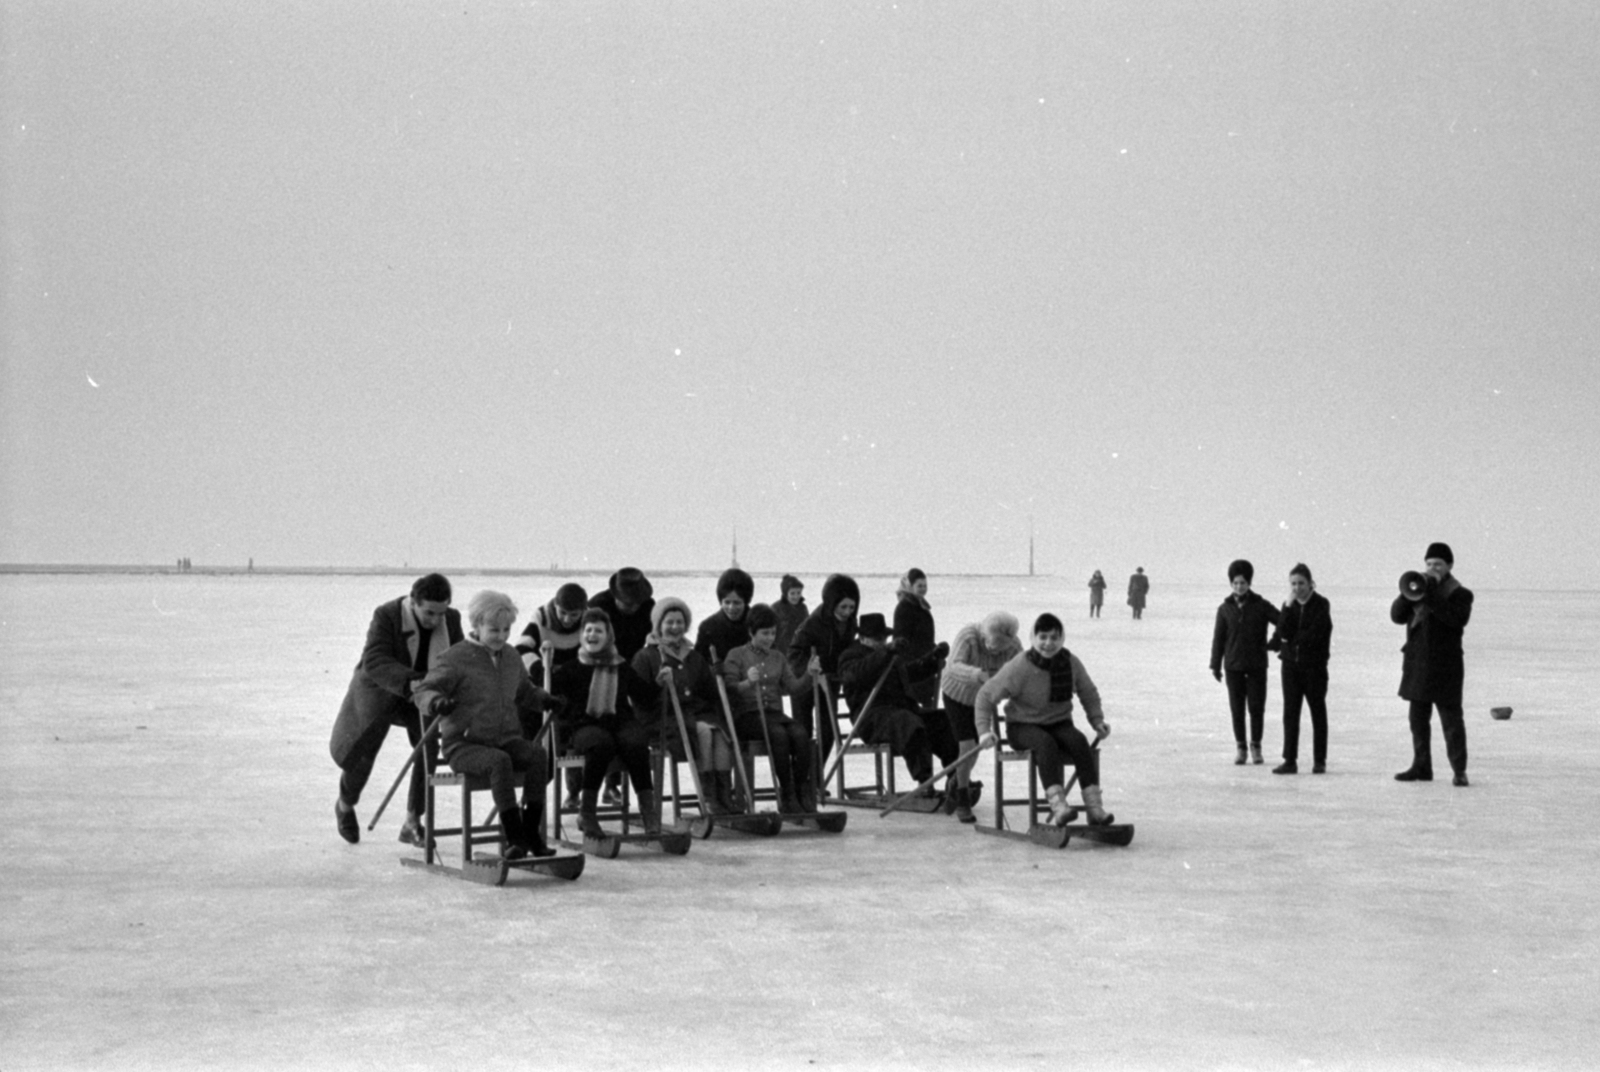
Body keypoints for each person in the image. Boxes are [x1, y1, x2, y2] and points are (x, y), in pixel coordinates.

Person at [413, 590, 558, 859]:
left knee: (538, 755)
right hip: (465, 745)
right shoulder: (456, 658)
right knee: (499, 761)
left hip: (505, 738)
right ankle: (515, 838)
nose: (501, 636)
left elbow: (525, 691)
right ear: (476, 626)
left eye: (506, 629)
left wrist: (546, 700)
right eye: (494, 629)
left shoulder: (511, 656)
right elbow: (423, 690)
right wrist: (436, 702)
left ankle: (531, 834)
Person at [329, 573, 464, 846]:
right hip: (382, 689)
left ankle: (413, 822)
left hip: (424, 694)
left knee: (427, 748)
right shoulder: (387, 615)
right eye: (429, 613)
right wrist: (411, 681)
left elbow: (459, 658)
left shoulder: (451, 619)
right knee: (362, 751)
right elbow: (375, 659)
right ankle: (345, 805)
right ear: (413, 602)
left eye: (441, 612)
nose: (436, 620)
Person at [974, 613, 1114, 826]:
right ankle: (1059, 808)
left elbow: (1088, 692)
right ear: (1033, 638)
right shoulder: (1020, 665)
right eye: (1043, 637)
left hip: (1058, 723)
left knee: (1079, 742)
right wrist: (984, 731)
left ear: (1062, 639)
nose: (1048, 643)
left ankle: (1095, 809)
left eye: (1054, 638)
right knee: (1045, 744)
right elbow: (985, 696)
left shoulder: (1070, 662)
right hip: (1022, 727)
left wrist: (1097, 720)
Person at [549, 609, 670, 836]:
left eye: (598, 630)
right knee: (601, 744)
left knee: (636, 742)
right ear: (582, 635)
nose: (592, 635)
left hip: (619, 721)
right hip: (584, 725)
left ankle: (649, 813)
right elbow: (548, 691)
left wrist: (659, 682)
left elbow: (643, 694)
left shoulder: (620, 665)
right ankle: (587, 813)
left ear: (608, 635)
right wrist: (543, 664)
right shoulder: (571, 668)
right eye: (588, 630)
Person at [837, 613, 956, 806]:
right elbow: (857, 674)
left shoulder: (889, 654)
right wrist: (885, 652)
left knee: (943, 721)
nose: (882, 641)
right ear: (863, 638)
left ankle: (956, 777)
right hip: (871, 718)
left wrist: (932, 660)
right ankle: (925, 781)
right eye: (877, 639)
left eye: (884, 638)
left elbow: (908, 674)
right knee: (908, 723)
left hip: (902, 711)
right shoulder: (850, 656)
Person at [633, 597, 737, 814]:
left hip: (694, 714)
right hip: (662, 719)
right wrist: (659, 683)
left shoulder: (693, 656)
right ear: (659, 625)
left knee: (719, 733)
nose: (675, 627)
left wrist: (718, 676)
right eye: (669, 622)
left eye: (679, 622)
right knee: (704, 732)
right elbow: (638, 698)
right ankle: (708, 798)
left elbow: (709, 692)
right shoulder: (647, 656)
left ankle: (724, 796)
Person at [722, 604, 820, 813]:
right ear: (751, 632)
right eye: (765, 633)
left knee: (801, 733)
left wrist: (810, 675)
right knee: (778, 734)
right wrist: (747, 682)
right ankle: (787, 793)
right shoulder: (736, 655)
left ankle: (800, 789)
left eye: (773, 633)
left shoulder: (778, 657)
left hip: (774, 714)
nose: (770, 638)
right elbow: (728, 689)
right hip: (747, 715)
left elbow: (793, 687)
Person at [1392, 542, 1474, 786]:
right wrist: (1408, 591)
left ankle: (1459, 771)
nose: (1432, 568)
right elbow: (1396, 616)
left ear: (1449, 566)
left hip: (1445, 667)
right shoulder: (1417, 589)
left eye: (1437, 564)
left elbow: (1456, 619)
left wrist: (1431, 593)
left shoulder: (1460, 593)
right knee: (1417, 720)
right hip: (1418, 664)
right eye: (1428, 564)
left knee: (1451, 722)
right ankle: (1421, 766)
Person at [940, 611, 1023, 822]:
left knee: (977, 746)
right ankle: (962, 798)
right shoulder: (968, 636)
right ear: (984, 636)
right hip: (957, 694)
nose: (995, 654)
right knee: (966, 746)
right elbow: (953, 665)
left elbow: (1023, 670)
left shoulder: (1014, 646)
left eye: (1000, 650)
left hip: (984, 699)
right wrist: (977, 674)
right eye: (991, 648)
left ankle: (957, 781)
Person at [588, 568, 655, 804]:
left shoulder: (648, 606)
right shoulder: (598, 605)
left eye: (635, 603)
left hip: (631, 666)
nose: (631, 607)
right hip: (601, 664)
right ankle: (577, 791)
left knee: (627, 725)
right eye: (626, 603)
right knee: (601, 722)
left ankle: (612, 785)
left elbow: (652, 633)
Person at [1210, 559, 1280, 766]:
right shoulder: (1224, 609)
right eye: (1235, 583)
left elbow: (1283, 621)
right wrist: (1215, 664)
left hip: (1257, 665)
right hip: (1233, 666)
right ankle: (1241, 747)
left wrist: (1274, 642)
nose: (1239, 587)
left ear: (1249, 582)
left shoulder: (1261, 605)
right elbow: (1218, 639)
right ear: (1231, 584)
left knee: (1256, 708)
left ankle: (1256, 746)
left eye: (1243, 582)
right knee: (1237, 709)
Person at [1268, 563, 1332, 775]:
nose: (1297, 588)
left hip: (1314, 668)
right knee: (1290, 713)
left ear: (1310, 583)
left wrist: (1291, 641)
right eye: (1293, 584)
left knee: (1317, 713)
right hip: (1290, 668)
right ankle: (1289, 760)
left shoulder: (1321, 604)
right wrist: (1286, 607)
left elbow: (1315, 634)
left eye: (1301, 583)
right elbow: (1282, 630)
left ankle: (1319, 760)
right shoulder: (1290, 605)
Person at [787, 573, 860, 757]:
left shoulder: (851, 622)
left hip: (829, 683)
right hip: (805, 683)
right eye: (843, 606)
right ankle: (803, 782)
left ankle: (817, 780)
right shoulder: (814, 623)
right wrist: (810, 669)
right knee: (803, 734)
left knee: (828, 733)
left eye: (852, 607)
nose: (847, 611)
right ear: (832, 602)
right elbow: (793, 654)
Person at [514, 582, 588, 678]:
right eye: (562, 612)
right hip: (542, 677)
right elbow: (521, 649)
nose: (567, 620)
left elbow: (597, 652)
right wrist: (538, 669)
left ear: (583, 610)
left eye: (574, 615)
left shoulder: (589, 621)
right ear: (555, 604)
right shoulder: (541, 617)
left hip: (574, 677)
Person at [891, 568, 938, 708]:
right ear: (910, 586)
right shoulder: (904, 607)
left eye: (925, 586)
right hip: (911, 666)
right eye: (919, 586)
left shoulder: (921, 605)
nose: (923, 589)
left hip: (924, 663)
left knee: (927, 702)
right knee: (913, 703)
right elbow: (901, 638)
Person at [589, 567, 656, 661]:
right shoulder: (598, 607)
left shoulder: (648, 606)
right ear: (616, 596)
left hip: (634, 660)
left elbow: (656, 639)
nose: (634, 607)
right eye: (628, 604)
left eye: (638, 602)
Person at [695, 568, 754, 665]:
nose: (731, 607)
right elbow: (698, 666)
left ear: (746, 601)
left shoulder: (759, 624)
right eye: (727, 602)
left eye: (737, 603)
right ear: (720, 601)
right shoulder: (708, 628)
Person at [772, 575, 808, 659]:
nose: (796, 596)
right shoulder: (775, 609)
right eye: (792, 593)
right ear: (785, 593)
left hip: (798, 652)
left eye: (799, 593)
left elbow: (807, 629)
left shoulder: (803, 608)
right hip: (780, 652)